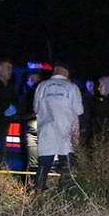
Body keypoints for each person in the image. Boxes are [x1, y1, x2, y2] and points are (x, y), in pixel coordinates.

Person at [33, 62, 83, 191]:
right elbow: (79, 110)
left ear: (54, 71)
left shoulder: (41, 86)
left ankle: (38, 192)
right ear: (66, 73)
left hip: (46, 130)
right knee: (66, 166)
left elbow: (36, 108)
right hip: (66, 131)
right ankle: (65, 193)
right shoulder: (72, 88)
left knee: (44, 166)